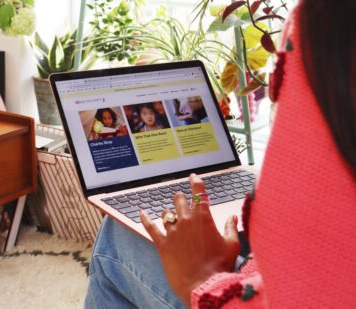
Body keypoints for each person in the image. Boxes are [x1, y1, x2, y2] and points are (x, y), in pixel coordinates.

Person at [85, 1, 356, 308]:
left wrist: (201, 279)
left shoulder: (326, 29)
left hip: (256, 293)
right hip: (269, 271)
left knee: (117, 237)